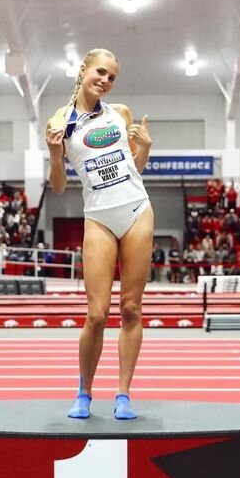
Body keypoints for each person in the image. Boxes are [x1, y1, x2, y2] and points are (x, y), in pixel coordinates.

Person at [46, 48, 153, 421]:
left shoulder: (120, 113)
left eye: (112, 77)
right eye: (101, 73)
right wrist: (55, 155)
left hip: (137, 210)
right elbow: (58, 187)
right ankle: (84, 393)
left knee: (131, 308)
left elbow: (136, 168)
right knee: (96, 314)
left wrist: (146, 147)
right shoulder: (60, 122)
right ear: (83, 70)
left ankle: (123, 394)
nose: (106, 81)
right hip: (99, 217)